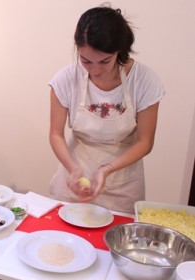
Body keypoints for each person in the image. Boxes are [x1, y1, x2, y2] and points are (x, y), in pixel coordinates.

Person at [48, 6, 165, 214]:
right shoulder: (65, 80)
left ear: (119, 51)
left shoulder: (144, 81)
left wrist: (107, 169)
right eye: (86, 61)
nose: (95, 70)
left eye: (104, 61)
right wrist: (73, 170)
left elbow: (145, 141)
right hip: (75, 174)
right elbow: (56, 134)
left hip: (123, 182)